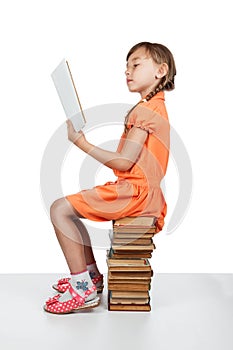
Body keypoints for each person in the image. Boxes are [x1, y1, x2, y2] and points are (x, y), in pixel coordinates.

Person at [44, 41, 176, 314]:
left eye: (136, 65)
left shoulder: (144, 111)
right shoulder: (155, 107)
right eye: (126, 67)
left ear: (160, 71)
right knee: (69, 211)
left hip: (135, 194)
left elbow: (124, 161)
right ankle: (90, 276)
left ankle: (82, 288)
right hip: (142, 192)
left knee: (59, 209)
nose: (127, 71)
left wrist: (81, 142)